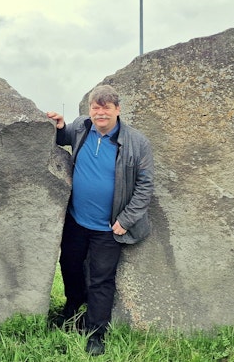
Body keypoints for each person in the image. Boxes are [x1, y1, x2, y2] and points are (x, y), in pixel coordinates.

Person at [46, 85, 154, 356]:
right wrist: (59, 127)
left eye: (106, 107)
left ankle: (96, 332)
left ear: (118, 110)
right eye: (96, 107)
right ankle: (72, 308)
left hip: (109, 227)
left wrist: (127, 219)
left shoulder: (136, 143)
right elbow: (62, 136)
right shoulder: (82, 127)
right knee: (69, 265)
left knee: (101, 279)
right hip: (77, 220)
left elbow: (145, 186)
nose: (100, 112)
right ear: (89, 110)